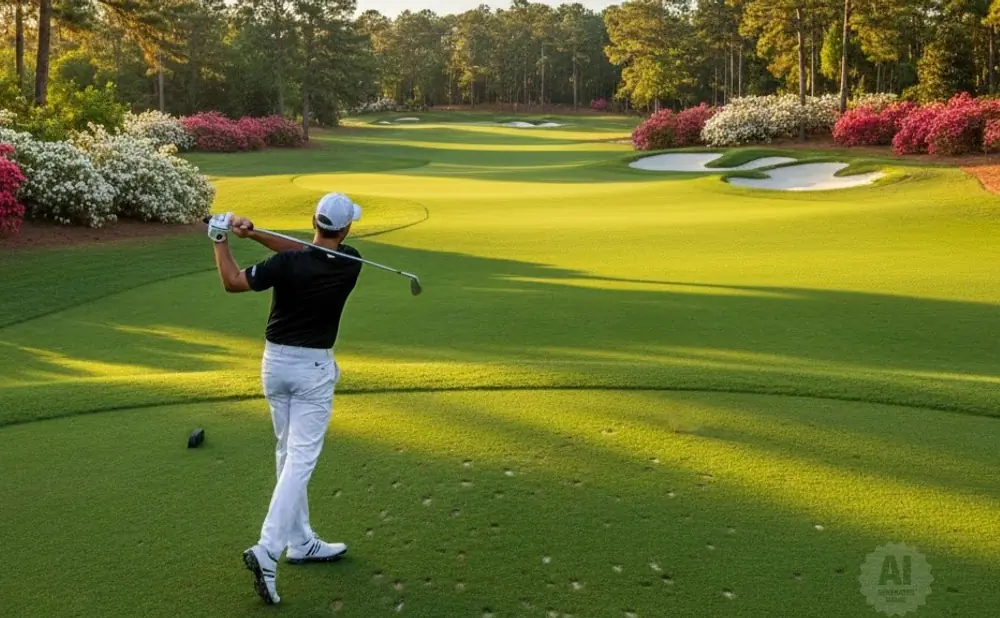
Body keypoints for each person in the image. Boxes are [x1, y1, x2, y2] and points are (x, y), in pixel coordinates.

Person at [207, 193, 364, 605]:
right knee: (300, 460)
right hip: (312, 371)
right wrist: (255, 233)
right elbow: (309, 251)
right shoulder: (351, 262)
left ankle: (300, 541)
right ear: (345, 229)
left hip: (274, 366)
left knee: (286, 452)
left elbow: (232, 282)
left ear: (314, 219)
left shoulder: (286, 264)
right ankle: (268, 548)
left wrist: (220, 239)